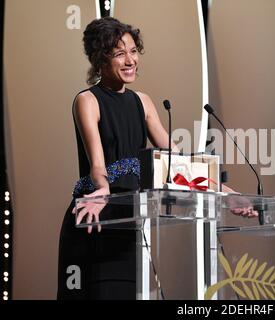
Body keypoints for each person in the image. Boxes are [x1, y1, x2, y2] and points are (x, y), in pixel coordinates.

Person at [57, 17, 257, 300]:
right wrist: (102, 190)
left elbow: (178, 163)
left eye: (133, 51)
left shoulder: (143, 102)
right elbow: (98, 165)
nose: (130, 60)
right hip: (95, 219)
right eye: (119, 53)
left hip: (130, 224)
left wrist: (228, 194)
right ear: (100, 59)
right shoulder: (87, 100)